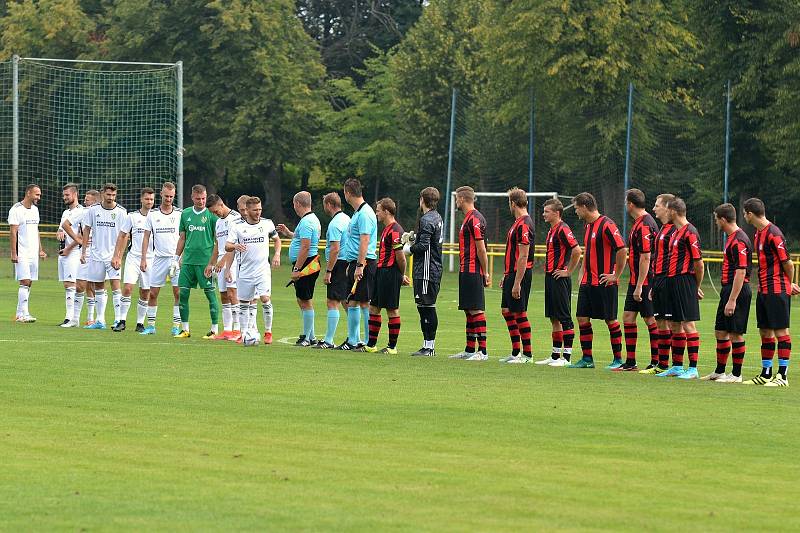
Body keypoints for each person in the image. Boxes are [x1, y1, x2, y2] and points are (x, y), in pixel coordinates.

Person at [742, 198, 800, 387]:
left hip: (777, 289)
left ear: (750, 213)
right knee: (765, 331)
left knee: (781, 331)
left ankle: (782, 376)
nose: (744, 216)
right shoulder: (759, 234)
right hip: (764, 290)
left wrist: (789, 284)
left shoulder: (774, 234)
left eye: (745, 213)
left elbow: (788, 264)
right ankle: (766, 373)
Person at [568, 192, 627, 369]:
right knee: (581, 317)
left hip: (605, 282)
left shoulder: (607, 225)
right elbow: (588, 251)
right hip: (588, 282)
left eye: (577, 208)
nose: (576, 212)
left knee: (610, 319)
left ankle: (618, 360)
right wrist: (582, 271)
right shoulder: (588, 226)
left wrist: (615, 275)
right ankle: (587, 359)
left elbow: (622, 249)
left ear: (585, 207)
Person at [700, 203, 752, 383]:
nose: (716, 223)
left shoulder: (738, 239)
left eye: (716, 219)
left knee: (735, 333)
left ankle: (736, 374)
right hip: (728, 289)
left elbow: (741, 271)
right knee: (720, 331)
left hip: (737, 290)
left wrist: (732, 300)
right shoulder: (731, 238)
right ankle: (720, 371)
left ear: (723, 219)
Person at [656, 197, 704, 380]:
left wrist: (695, 286)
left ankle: (693, 368)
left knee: (688, 324)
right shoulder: (676, 232)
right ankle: (676, 366)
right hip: (671, 281)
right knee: (674, 324)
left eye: (667, 210)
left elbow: (698, 264)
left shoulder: (690, 232)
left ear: (673, 212)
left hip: (685, 281)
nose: (665, 213)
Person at [225, 196, 281, 344]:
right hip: (244, 271)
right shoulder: (237, 227)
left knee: (265, 299)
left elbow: (277, 240)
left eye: (260, 209)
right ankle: (244, 334)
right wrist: (236, 246)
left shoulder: (267, 224)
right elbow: (227, 246)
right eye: (255, 210)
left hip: (262, 270)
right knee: (243, 303)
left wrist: (276, 254)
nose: (258, 212)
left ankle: (268, 332)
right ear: (247, 210)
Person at [535, 198, 580, 366]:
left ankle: (566, 358)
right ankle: (555, 356)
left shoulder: (563, 229)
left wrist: (568, 271)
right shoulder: (551, 230)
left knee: (564, 317)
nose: (544, 214)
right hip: (550, 278)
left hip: (560, 279)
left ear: (557, 213)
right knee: (554, 318)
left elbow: (576, 250)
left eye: (547, 211)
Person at [619, 188, 660, 371]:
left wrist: (639, 286)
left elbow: (646, 257)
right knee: (628, 317)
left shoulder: (645, 224)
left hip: (645, 281)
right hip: (635, 280)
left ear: (630, 204)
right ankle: (631, 361)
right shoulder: (638, 222)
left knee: (650, 319)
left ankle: (657, 361)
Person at [449, 186, 490, 361]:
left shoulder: (474, 218)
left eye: (457, 199)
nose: (456, 202)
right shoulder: (467, 218)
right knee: (468, 310)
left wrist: (486, 272)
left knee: (476, 309)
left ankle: (483, 351)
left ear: (463, 199)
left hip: (473, 270)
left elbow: (481, 249)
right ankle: (470, 349)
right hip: (465, 269)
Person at [174, 184, 220, 339]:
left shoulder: (212, 215)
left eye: (203, 198)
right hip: (187, 262)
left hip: (205, 263)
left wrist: (212, 262)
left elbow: (217, 240)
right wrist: (176, 258)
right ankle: (185, 329)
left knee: (210, 295)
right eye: (198, 198)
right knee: (183, 294)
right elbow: (182, 237)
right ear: (192, 197)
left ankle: (214, 330)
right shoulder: (185, 213)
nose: (201, 201)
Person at [337, 178, 378, 351]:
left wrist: (360, 265)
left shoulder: (365, 213)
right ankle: (353, 340)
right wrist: (351, 263)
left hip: (365, 263)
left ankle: (368, 342)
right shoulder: (358, 212)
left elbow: (365, 241)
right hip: (356, 262)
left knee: (363, 302)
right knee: (352, 301)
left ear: (347, 193)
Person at [277, 191, 322, 346]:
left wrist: (297, 269)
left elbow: (305, 247)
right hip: (308, 263)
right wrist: (288, 233)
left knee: (305, 301)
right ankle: (311, 335)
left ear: (297, 204)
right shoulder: (309, 219)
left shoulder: (307, 222)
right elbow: (299, 239)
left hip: (306, 264)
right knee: (302, 300)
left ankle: (307, 338)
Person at [80, 183, 127, 329]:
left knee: (115, 286)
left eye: (113, 195)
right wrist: (83, 251)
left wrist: (119, 256)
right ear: (102, 194)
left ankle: (118, 320)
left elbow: (125, 235)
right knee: (98, 286)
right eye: (108, 195)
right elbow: (86, 230)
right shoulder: (93, 210)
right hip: (96, 255)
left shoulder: (121, 212)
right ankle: (100, 321)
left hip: (113, 256)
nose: (110, 198)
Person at [640, 193, 677, 375]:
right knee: (661, 322)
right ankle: (662, 365)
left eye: (657, 205)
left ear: (668, 208)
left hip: (670, 281)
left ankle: (676, 365)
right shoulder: (662, 229)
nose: (654, 208)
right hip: (658, 280)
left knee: (672, 323)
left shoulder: (675, 230)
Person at [365, 198, 407, 355]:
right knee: (374, 307)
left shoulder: (395, 230)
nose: (376, 213)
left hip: (390, 273)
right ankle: (371, 345)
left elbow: (401, 257)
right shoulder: (386, 229)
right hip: (381, 272)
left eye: (378, 210)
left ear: (387, 211)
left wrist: (400, 275)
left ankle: (392, 347)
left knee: (392, 309)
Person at [139, 182, 182, 335]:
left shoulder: (179, 214)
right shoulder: (153, 214)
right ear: (161, 195)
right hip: (158, 259)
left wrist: (181, 257)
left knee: (178, 293)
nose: (168, 199)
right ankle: (151, 326)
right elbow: (145, 237)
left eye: (171, 196)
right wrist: (143, 258)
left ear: (174, 196)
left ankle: (176, 327)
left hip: (175, 259)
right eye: (166, 196)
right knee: (153, 293)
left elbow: (184, 237)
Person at [498, 188, 536, 364]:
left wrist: (517, 282)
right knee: (507, 311)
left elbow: (523, 255)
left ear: (513, 203)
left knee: (519, 312)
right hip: (511, 274)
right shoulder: (518, 223)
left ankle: (527, 355)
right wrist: (507, 276)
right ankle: (515, 353)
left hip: (520, 274)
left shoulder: (524, 224)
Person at [110, 187, 155, 332]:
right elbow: (122, 235)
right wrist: (117, 256)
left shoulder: (156, 217)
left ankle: (140, 323)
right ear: (141, 199)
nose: (149, 202)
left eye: (152, 199)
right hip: (133, 258)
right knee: (128, 288)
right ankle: (122, 321)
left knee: (145, 292)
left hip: (151, 259)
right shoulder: (132, 216)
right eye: (147, 199)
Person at [407, 187, 444, 357]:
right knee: (424, 307)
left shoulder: (426, 219)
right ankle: (427, 345)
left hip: (426, 271)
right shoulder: (437, 217)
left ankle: (429, 347)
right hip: (432, 269)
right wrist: (414, 238)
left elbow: (424, 246)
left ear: (422, 199)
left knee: (426, 308)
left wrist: (408, 248)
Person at [313, 192, 351, 350]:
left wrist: (329, 270)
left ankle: (329, 340)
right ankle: (354, 337)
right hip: (348, 262)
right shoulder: (347, 218)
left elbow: (335, 249)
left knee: (333, 301)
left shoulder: (335, 224)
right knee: (346, 302)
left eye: (324, 205)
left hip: (339, 264)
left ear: (329, 204)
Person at [61, 189, 100, 326]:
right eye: (84, 199)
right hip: (86, 252)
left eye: (87, 200)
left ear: (95, 201)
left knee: (97, 287)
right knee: (80, 286)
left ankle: (95, 319)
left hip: (101, 253)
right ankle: (75, 319)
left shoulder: (105, 213)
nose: (84, 202)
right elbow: (65, 225)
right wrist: (79, 240)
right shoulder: (83, 213)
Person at [207, 194, 243, 340]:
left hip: (232, 261)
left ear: (221, 204)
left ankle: (237, 330)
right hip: (221, 263)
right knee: (223, 295)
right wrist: (211, 263)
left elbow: (233, 245)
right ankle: (227, 331)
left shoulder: (235, 218)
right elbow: (218, 244)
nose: (215, 214)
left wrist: (223, 261)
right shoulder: (218, 222)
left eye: (216, 211)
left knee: (232, 294)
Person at [8, 184, 45, 323]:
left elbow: (36, 230)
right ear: (28, 193)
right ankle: (25, 314)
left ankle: (19, 314)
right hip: (22, 251)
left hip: (33, 252)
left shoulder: (35, 210)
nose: (39, 197)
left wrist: (40, 249)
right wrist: (14, 253)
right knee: (24, 281)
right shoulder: (16, 210)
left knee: (29, 282)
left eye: (39, 195)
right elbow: (13, 232)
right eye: (37, 194)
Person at [56, 183, 81, 326]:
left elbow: (81, 236)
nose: (64, 197)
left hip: (73, 252)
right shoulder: (66, 213)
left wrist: (69, 249)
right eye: (64, 195)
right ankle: (71, 318)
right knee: (67, 285)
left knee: (71, 284)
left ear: (75, 194)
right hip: (63, 252)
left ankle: (70, 318)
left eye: (67, 195)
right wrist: (59, 233)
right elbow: (60, 230)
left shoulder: (81, 212)